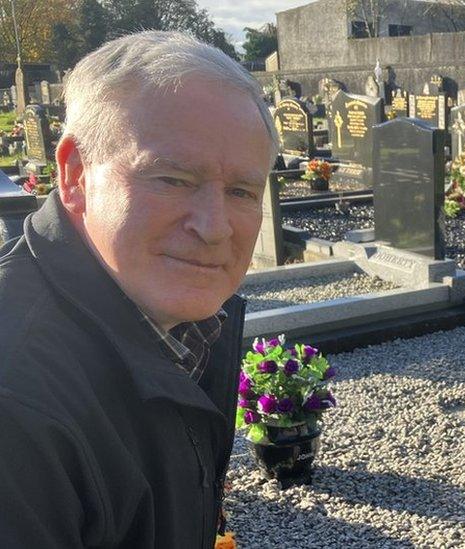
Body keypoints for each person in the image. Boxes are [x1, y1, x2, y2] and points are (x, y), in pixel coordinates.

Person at [0, 31, 277, 546]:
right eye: (172, 179)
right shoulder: (16, 408)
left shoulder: (180, 319)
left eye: (241, 191)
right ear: (75, 175)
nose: (215, 227)